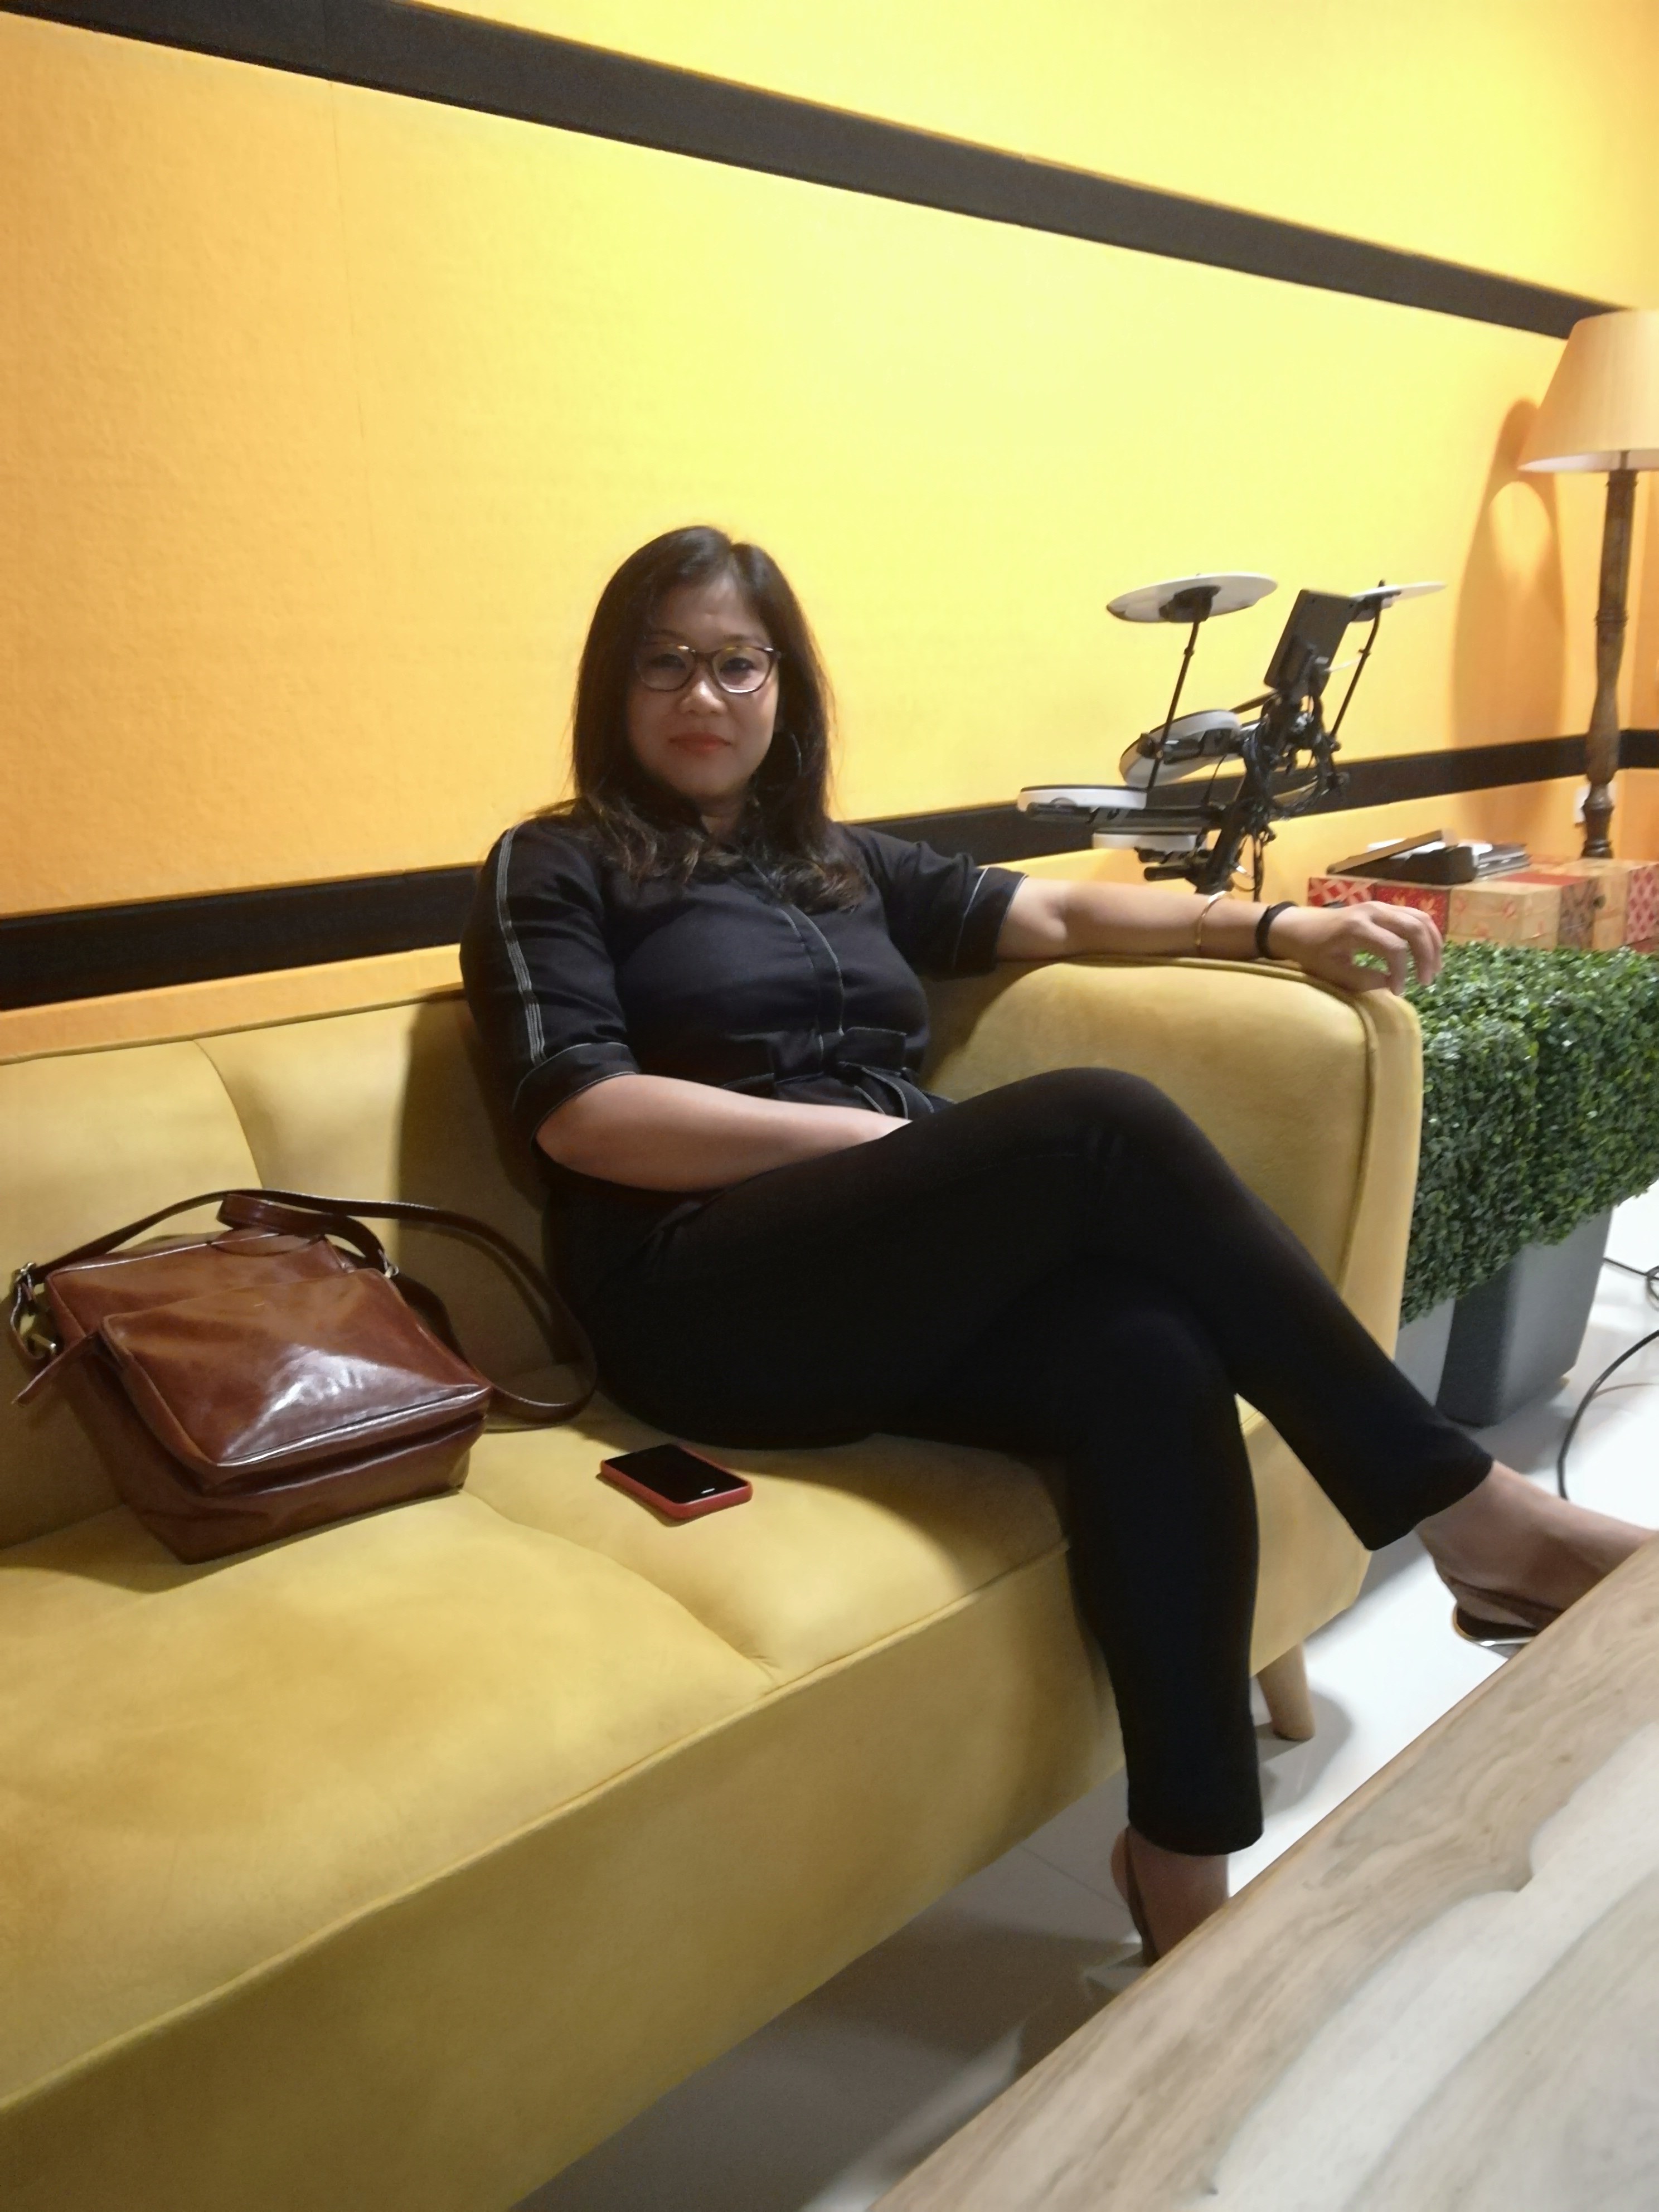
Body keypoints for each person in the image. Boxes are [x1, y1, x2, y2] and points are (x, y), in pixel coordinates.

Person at [461, 525, 1649, 1960]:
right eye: (665, 664)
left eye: (735, 663)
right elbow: (583, 1117)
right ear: (615, 687)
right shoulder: (557, 862)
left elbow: (1061, 907)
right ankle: (1470, 1511)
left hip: (864, 1281)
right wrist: (875, 1146)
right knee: (1097, 1121)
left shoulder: (832, 862)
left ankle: (1184, 1868)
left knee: (1145, 1353)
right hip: (694, 1296)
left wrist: (1270, 926)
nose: (702, 695)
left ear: (784, 688)